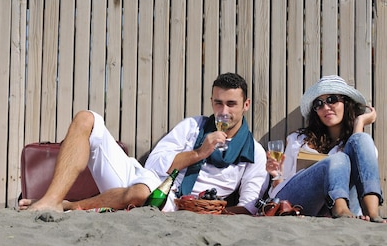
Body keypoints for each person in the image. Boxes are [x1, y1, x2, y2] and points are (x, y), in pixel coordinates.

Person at [19, 72, 268, 215]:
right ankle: (51, 199)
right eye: (218, 103)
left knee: (142, 193)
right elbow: (156, 163)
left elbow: (248, 207)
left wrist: (208, 212)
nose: (223, 111)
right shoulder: (194, 126)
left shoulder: (254, 153)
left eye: (231, 104)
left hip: (172, 201)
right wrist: (198, 153)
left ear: (246, 105)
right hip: (142, 175)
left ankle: (69, 205)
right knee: (87, 119)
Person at [265, 75, 387, 223]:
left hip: (352, 208)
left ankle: (372, 212)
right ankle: (340, 209)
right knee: (338, 159)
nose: (326, 107)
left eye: (332, 100)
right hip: (301, 204)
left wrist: (359, 122)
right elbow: (280, 193)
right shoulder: (298, 140)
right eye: (319, 104)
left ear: (346, 103)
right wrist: (276, 176)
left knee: (361, 141)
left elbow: (363, 164)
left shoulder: (359, 140)